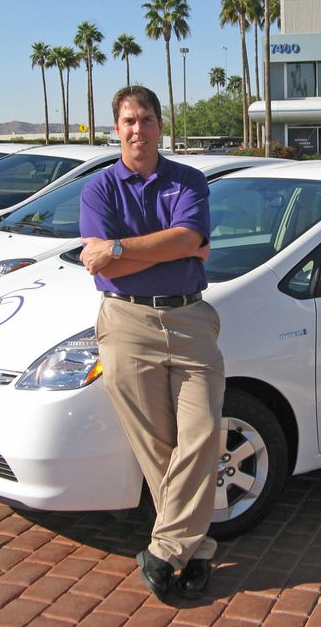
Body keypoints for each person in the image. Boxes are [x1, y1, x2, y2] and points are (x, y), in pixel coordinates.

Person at [78, 85, 224, 601]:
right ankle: (195, 548)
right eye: (128, 121)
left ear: (162, 126)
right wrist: (178, 249)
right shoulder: (98, 191)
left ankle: (163, 551)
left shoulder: (188, 180)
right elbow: (177, 247)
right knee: (158, 449)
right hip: (126, 324)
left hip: (190, 320)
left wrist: (120, 248)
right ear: (116, 129)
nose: (138, 129)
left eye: (146, 119)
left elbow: (185, 240)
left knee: (202, 434)